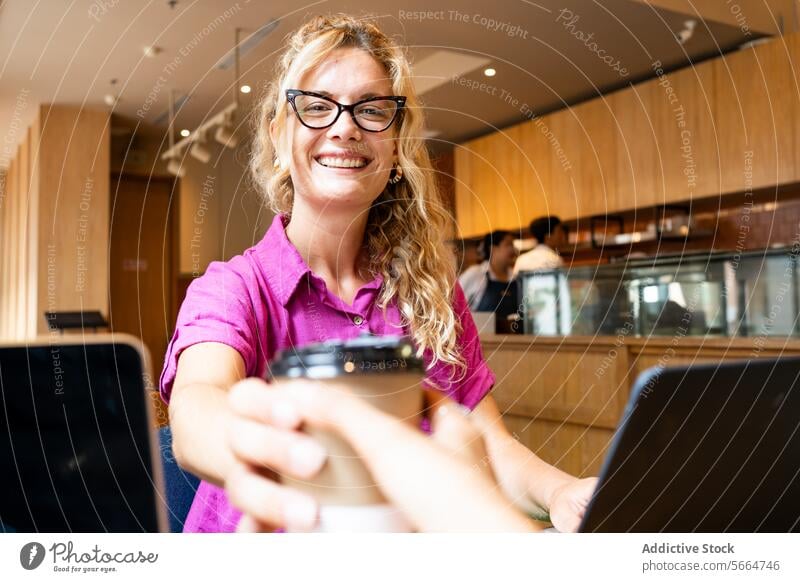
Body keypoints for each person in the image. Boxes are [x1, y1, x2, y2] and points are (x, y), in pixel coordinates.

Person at [162, 14, 595, 534]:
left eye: (370, 110)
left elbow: (487, 447)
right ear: (279, 134)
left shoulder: (430, 292)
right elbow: (195, 408)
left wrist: (562, 492)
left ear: (395, 144)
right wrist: (273, 450)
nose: (344, 126)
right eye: (318, 107)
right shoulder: (234, 288)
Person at [458, 230, 519, 313]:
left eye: (513, 245)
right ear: (493, 249)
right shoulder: (476, 274)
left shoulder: (516, 277)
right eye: (508, 245)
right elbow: (454, 305)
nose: (513, 249)